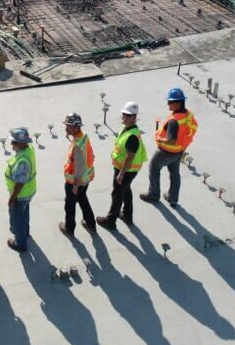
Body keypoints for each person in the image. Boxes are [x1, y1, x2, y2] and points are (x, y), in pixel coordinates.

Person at [141, 88, 199, 207]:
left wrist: (159, 139)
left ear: (178, 103)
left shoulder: (174, 121)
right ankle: (173, 198)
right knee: (174, 173)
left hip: (166, 152)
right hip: (179, 150)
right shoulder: (188, 115)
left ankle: (153, 194)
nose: (168, 104)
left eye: (170, 102)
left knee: (154, 167)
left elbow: (171, 140)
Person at [97, 102, 146, 230]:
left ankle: (110, 221)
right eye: (124, 114)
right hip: (125, 168)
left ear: (134, 117)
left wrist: (121, 174)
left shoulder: (132, 136)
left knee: (117, 194)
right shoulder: (127, 129)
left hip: (127, 170)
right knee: (126, 190)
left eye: (128, 115)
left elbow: (130, 157)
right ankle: (127, 215)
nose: (124, 117)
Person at [59, 113, 96, 236]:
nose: (66, 128)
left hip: (75, 182)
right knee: (82, 199)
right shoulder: (83, 137)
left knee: (70, 205)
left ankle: (69, 228)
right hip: (86, 179)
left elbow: (78, 168)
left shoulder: (78, 146)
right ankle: (90, 224)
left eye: (68, 126)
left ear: (76, 127)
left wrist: (75, 186)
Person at [4, 127, 36, 252]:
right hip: (29, 191)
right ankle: (25, 232)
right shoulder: (29, 148)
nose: (12, 144)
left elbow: (20, 183)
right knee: (24, 212)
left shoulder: (22, 162)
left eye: (14, 142)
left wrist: (12, 198)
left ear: (22, 143)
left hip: (21, 195)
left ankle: (20, 243)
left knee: (17, 219)